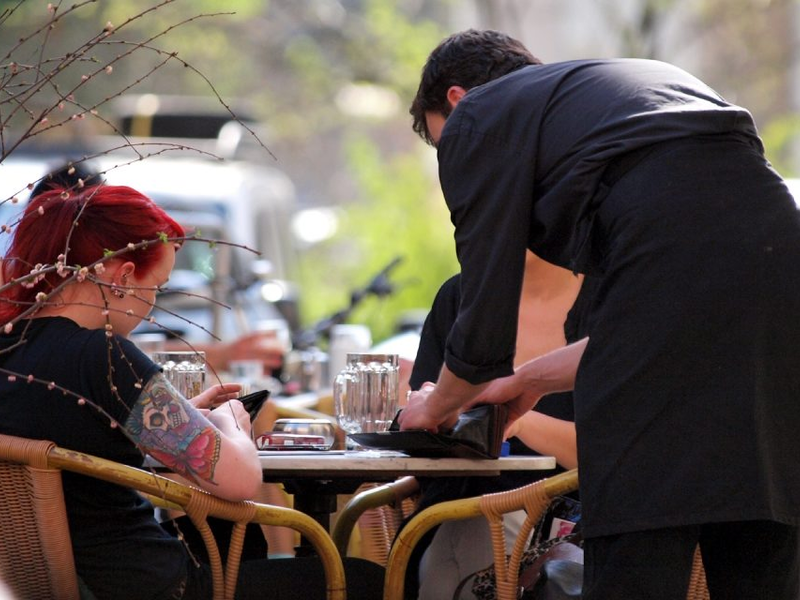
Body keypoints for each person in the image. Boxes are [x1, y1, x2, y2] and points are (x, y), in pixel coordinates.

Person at [399, 29, 800, 599]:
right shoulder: (609, 106)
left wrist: (435, 406)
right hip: (777, 232)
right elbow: (641, 327)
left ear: (459, 103)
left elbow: (484, 307)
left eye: (444, 147)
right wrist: (527, 383)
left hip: (666, 236)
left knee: (642, 510)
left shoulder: (480, 116)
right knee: (757, 481)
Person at [0, 184, 384, 599]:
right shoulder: (104, 357)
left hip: (63, 579)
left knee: (235, 534)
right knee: (365, 579)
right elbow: (239, 480)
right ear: (123, 277)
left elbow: (76, 435)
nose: (151, 305)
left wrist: (180, 418)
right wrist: (229, 423)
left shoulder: (10, 347)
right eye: (157, 287)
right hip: (153, 586)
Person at [408, 251, 592, 599]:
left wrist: (516, 421)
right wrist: (437, 416)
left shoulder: (609, 301)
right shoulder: (460, 297)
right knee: (469, 532)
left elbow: (621, 450)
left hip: (573, 526)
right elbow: (419, 434)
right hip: (460, 505)